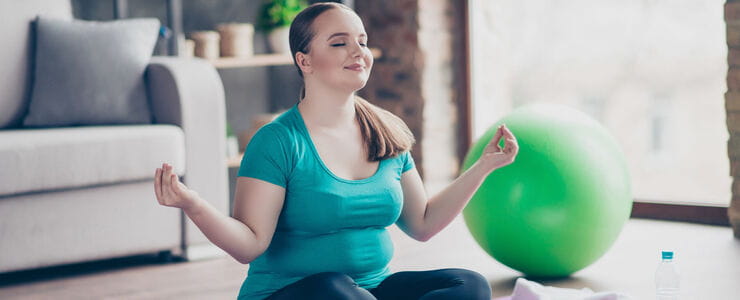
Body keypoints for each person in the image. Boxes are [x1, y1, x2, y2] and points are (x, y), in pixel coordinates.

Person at [153, 2, 519, 299]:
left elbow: (422, 223)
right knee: (336, 289)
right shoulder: (278, 141)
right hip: (293, 293)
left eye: (361, 40)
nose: (358, 52)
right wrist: (193, 205)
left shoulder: (386, 130)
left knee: (469, 285)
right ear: (304, 61)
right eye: (339, 42)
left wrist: (484, 166)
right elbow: (249, 245)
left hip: (370, 291)